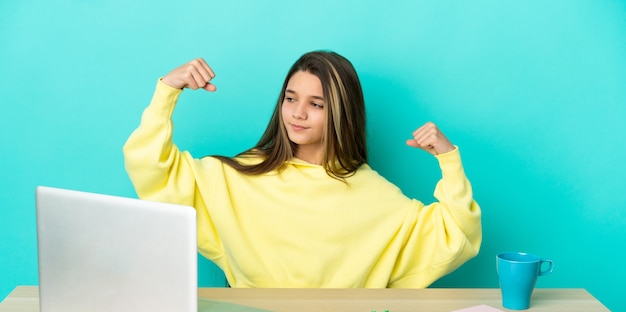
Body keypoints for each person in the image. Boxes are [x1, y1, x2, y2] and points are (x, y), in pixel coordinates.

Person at [123, 51, 481, 288]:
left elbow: (457, 237)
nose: (297, 113)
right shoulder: (236, 177)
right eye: (291, 99)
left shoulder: (375, 195)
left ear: (341, 113)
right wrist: (167, 91)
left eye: (316, 104)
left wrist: (448, 160)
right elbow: (154, 169)